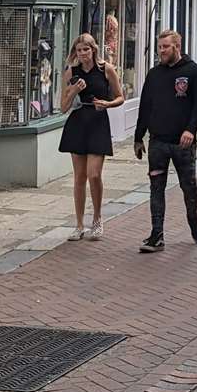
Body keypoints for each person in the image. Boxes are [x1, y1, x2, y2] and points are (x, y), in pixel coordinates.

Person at [133, 30, 197, 252]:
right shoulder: (154, 75)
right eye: (159, 47)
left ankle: (193, 219)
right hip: (158, 142)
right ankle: (157, 235)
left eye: (166, 47)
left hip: (182, 143)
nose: (161, 51)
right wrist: (138, 137)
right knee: (156, 188)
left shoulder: (193, 72)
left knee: (188, 187)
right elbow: (145, 106)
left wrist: (191, 130)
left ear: (177, 46)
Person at [59, 34, 122, 242]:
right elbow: (63, 107)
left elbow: (120, 96)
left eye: (86, 50)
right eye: (79, 50)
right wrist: (74, 89)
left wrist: (107, 104)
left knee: (94, 174)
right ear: (75, 53)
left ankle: (97, 218)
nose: (83, 54)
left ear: (93, 50)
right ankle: (78, 224)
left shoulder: (106, 69)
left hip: (97, 122)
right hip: (78, 123)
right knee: (79, 177)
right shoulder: (71, 72)